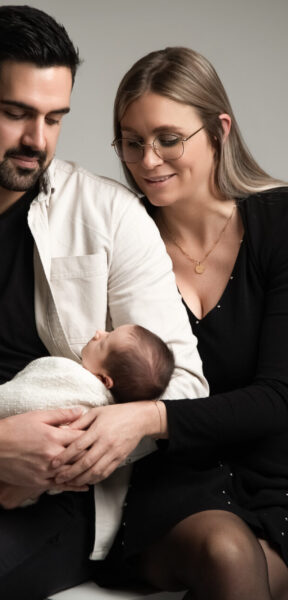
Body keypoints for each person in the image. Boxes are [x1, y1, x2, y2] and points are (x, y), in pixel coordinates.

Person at [0, 7, 207, 598]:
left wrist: (45, 468)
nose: (38, 140)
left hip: (43, 505)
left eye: (55, 118)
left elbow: (183, 382)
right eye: (16, 113)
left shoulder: (109, 214)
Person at [64, 46, 288, 599]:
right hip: (172, 485)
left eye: (168, 138)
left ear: (219, 131)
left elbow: (280, 396)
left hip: (273, 478)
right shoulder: (122, 238)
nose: (148, 161)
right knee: (226, 552)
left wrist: (149, 416)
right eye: (132, 142)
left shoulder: (279, 223)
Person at [0, 324, 174, 536]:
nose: (99, 332)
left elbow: (27, 394)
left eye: (106, 340)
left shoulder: (77, 385)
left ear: (103, 380)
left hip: (36, 488)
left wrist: (40, 470)